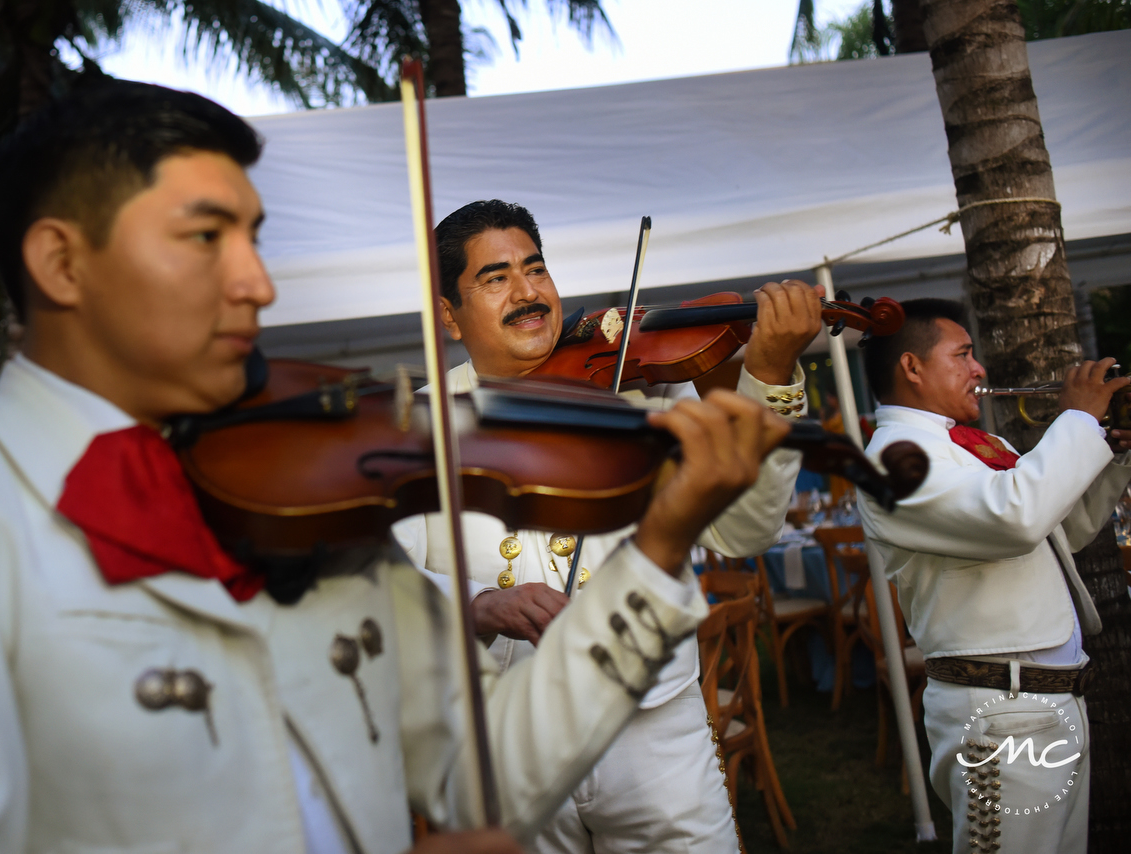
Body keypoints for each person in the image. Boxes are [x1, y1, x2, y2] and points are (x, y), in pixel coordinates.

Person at [0, 83, 787, 854]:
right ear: (62, 263)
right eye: (205, 238)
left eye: (255, 239)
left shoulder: (303, 501)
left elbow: (487, 759)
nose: (258, 282)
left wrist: (660, 545)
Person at [392, 200, 822, 854]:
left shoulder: (641, 397)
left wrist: (768, 379)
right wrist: (478, 604)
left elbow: (745, 532)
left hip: (653, 733)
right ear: (449, 316)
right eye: (496, 278)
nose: (528, 292)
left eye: (535, 269)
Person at [856, 298, 1131, 854]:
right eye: (962, 354)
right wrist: (1077, 419)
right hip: (999, 716)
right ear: (912, 367)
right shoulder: (894, 457)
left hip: (1046, 705)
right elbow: (1018, 516)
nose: (979, 368)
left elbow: (1062, 528)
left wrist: (1115, 453)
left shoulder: (972, 445)